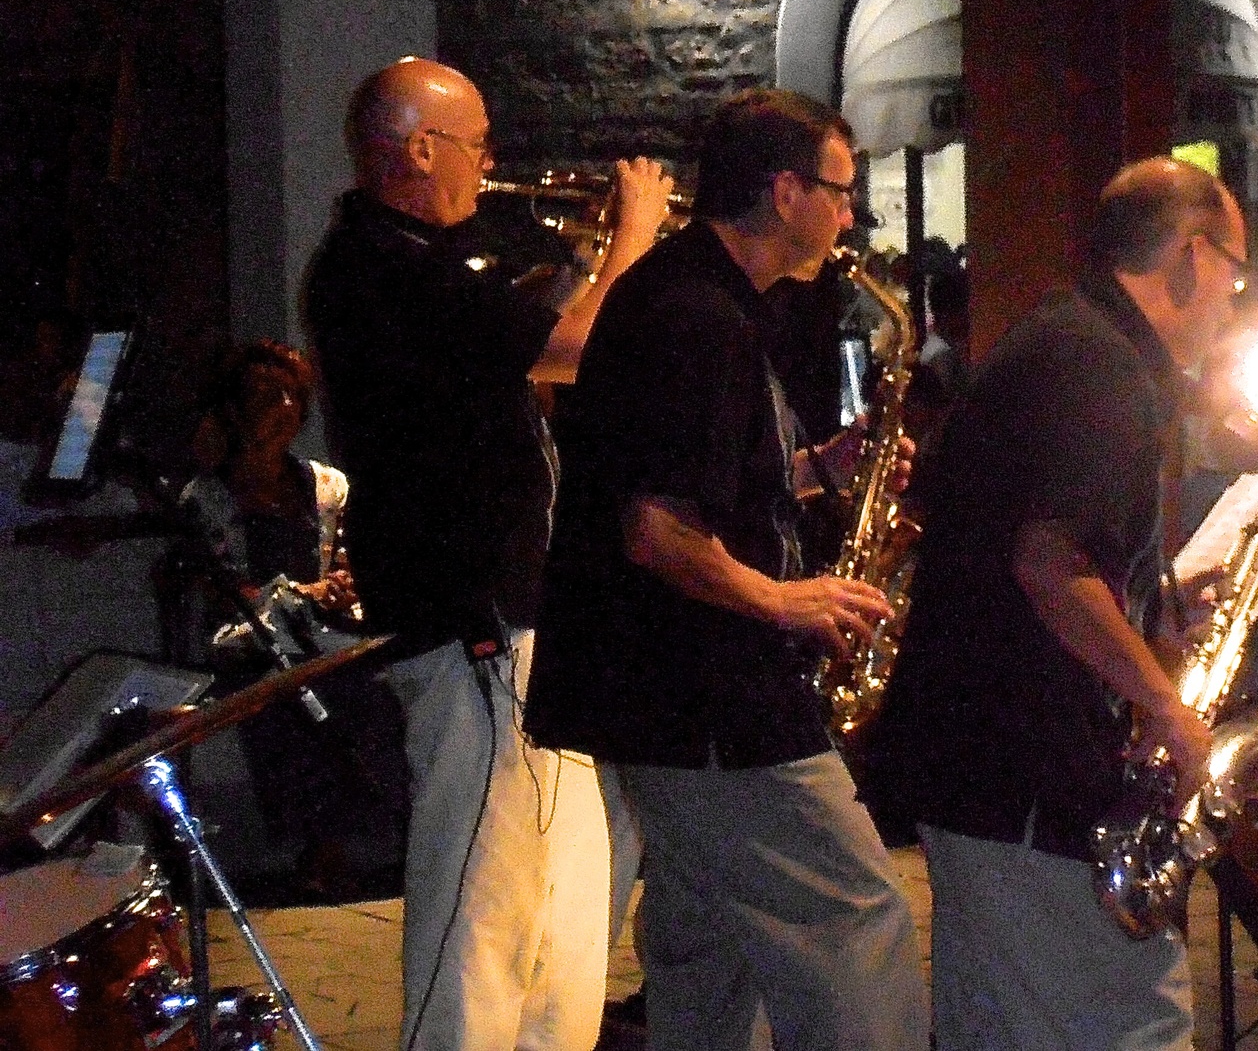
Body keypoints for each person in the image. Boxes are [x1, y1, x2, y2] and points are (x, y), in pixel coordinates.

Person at [527, 89, 926, 1051]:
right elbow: (657, 530)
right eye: (840, 192)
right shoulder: (697, 316)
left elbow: (687, 476)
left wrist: (813, 471)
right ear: (786, 191)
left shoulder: (693, 297)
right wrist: (785, 599)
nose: (848, 217)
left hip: (663, 698)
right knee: (857, 920)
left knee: (709, 951)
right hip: (710, 697)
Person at [303, 56, 672, 1051]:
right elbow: (583, 350)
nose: (491, 163)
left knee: (566, 874)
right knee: (482, 889)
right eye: (474, 142)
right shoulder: (389, 265)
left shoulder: (416, 262)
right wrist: (634, 235)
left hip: (512, 608)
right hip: (467, 608)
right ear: (420, 147)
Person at [866, 156, 1247, 1051]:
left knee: (1004, 1029)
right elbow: (1048, 564)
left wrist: (1152, 601)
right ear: (1191, 257)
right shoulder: (1095, 367)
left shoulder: (1071, 342)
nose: (1234, 297)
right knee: (1131, 1022)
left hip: (983, 768)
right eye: (1236, 270)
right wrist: (1167, 709)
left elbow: (1043, 548)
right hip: (1025, 774)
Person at [166, 340, 402, 899]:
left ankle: (375, 840)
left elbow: (353, 556)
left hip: (326, 633)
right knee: (288, 695)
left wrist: (344, 584)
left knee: (371, 684)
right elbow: (221, 590)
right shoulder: (207, 495)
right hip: (251, 638)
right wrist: (296, 595)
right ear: (235, 409)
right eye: (268, 397)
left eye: (294, 397)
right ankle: (318, 850)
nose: (286, 410)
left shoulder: (325, 485)